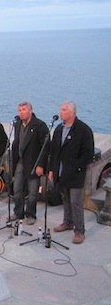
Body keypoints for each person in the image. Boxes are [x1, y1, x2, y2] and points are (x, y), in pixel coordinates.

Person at [48, 101, 94, 244]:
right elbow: (53, 151)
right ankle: (67, 222)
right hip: (60, 172)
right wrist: (52, 169)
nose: (60, 112)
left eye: (63, 110)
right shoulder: (58, 129)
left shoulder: (83, 130)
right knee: (65, 198)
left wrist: (77, 167)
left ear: (72, 113)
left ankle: (79, 231)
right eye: (60, 109)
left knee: (75, 201)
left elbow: (88, 153)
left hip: (75, 173)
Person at [11, 102, 49, 225]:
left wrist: (41, 165)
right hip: (20, 161)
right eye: (19, 110)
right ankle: (18, 213)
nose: (21, 112)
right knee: (17, 189)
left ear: (30, 111)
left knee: (32, 192)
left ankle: (31, 214)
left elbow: (46, 147)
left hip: (34, 162)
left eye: (24, 110)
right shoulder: (17, 125)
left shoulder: (40, 125)